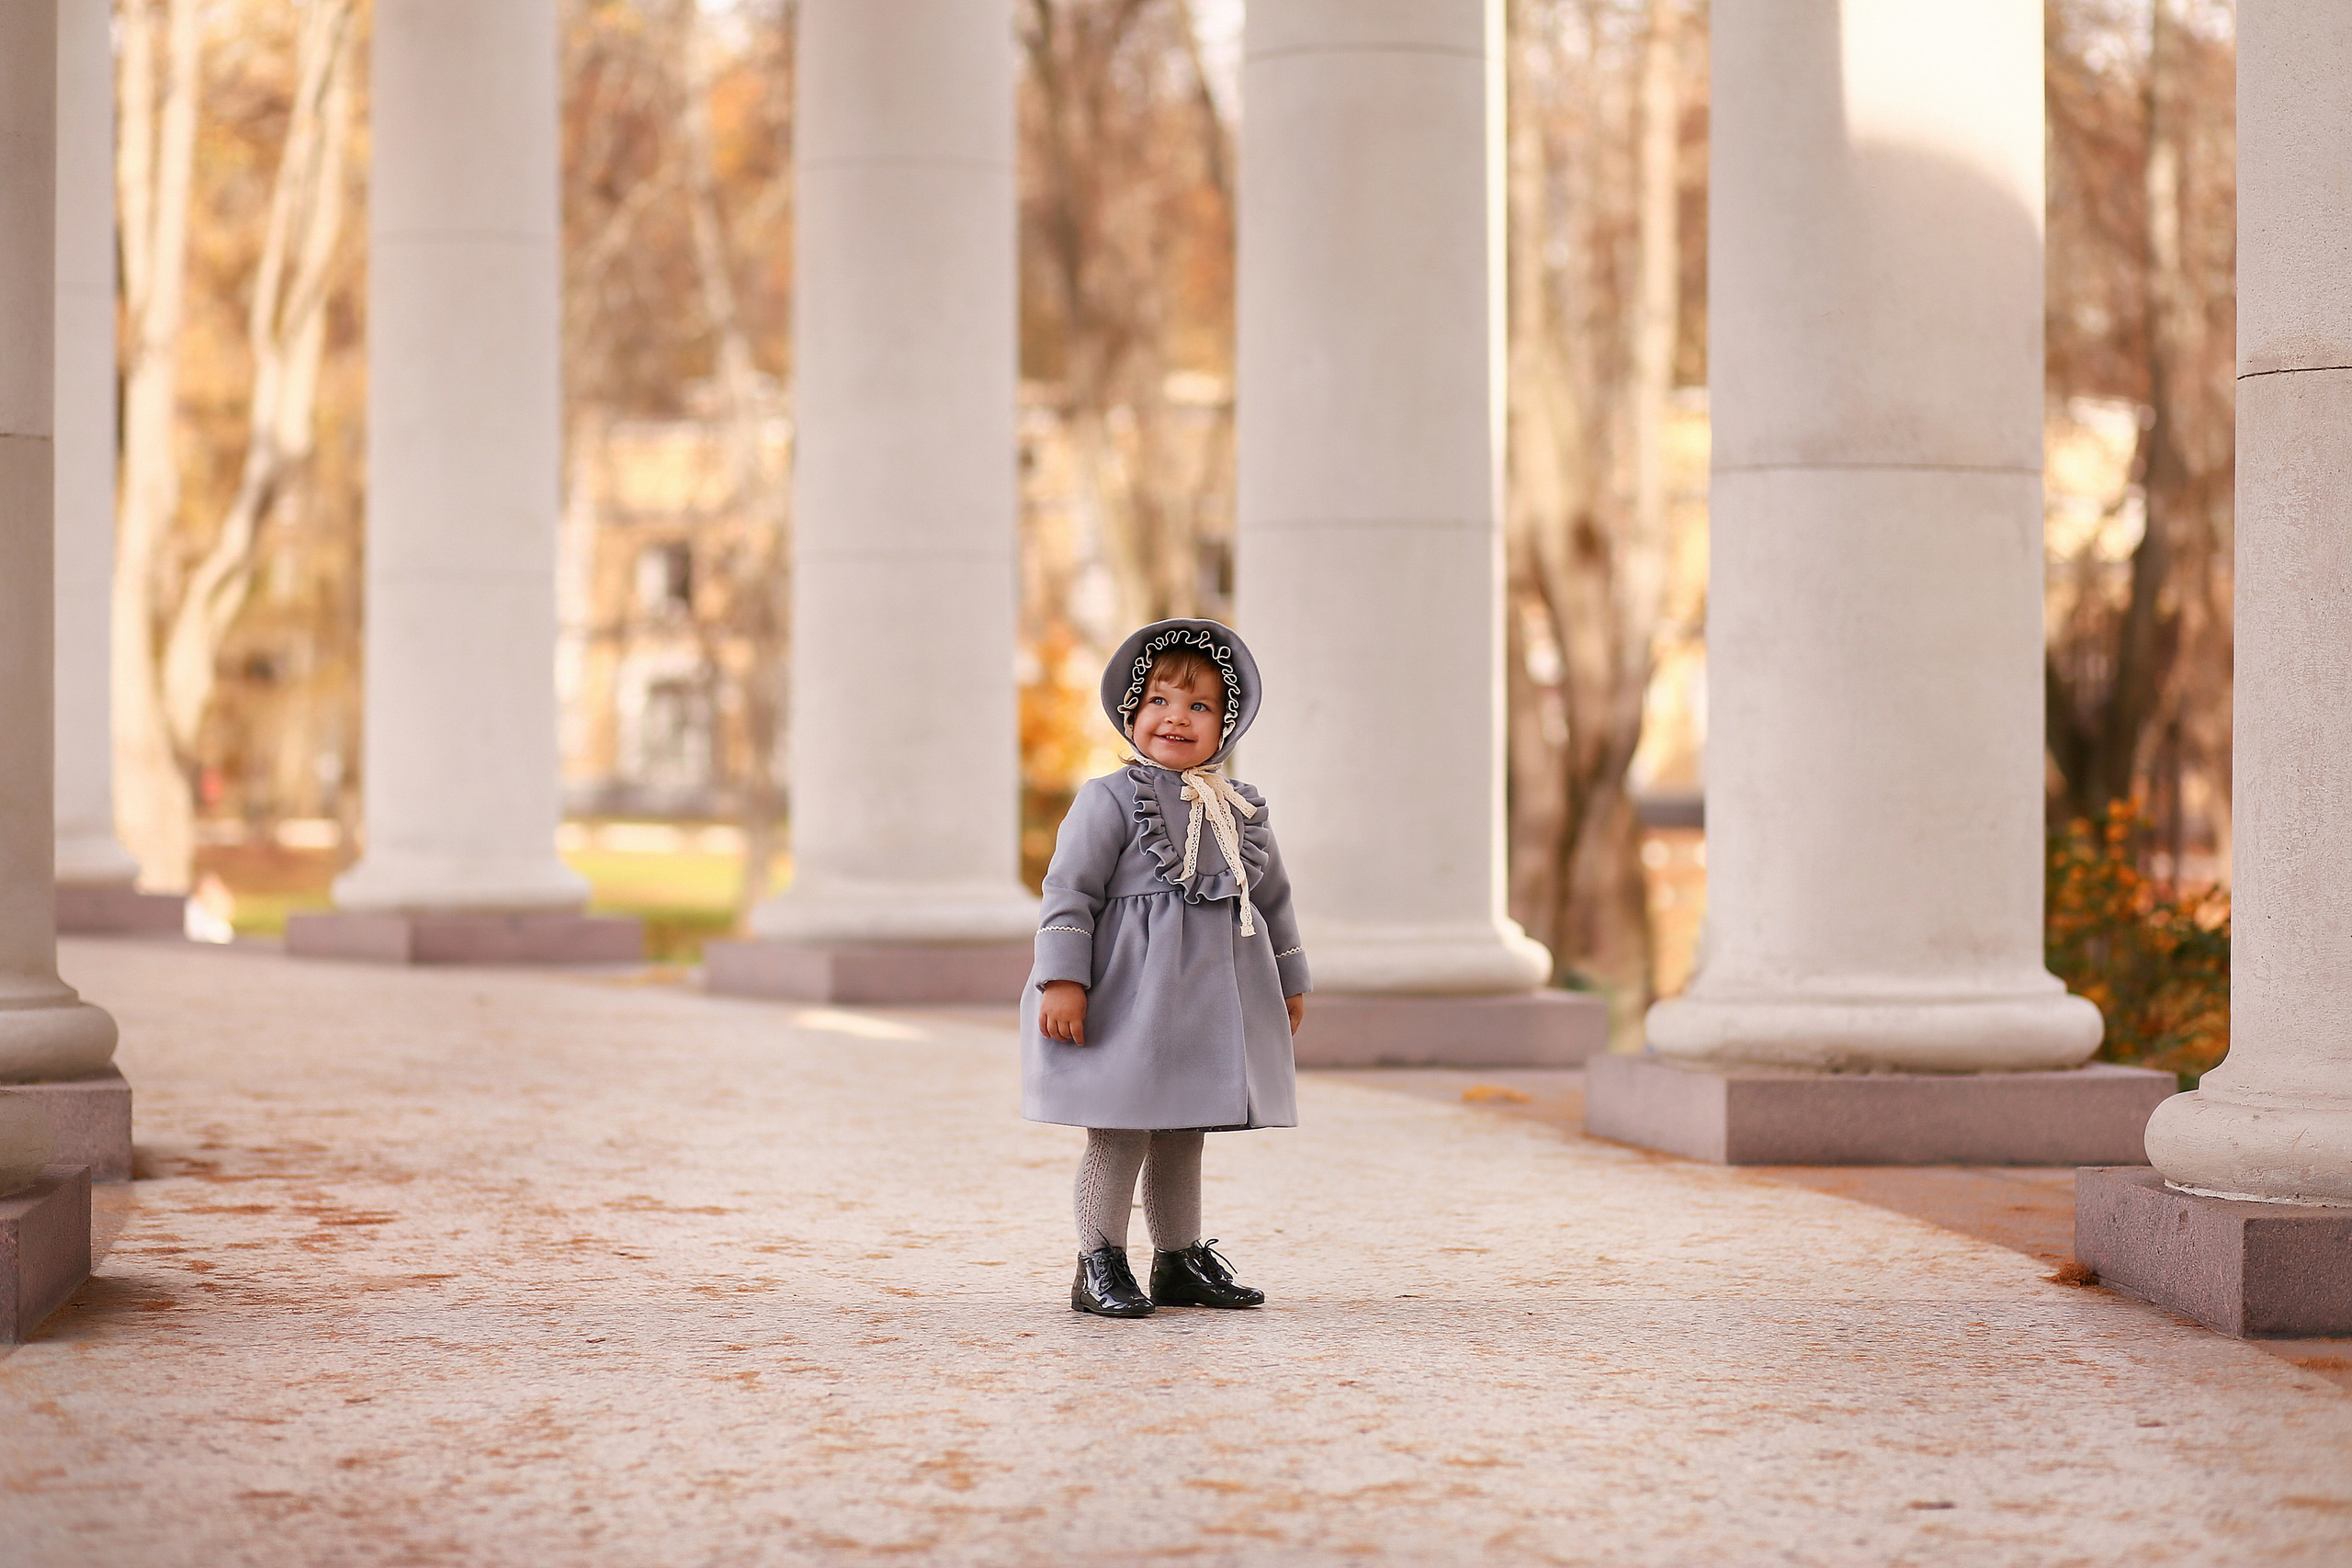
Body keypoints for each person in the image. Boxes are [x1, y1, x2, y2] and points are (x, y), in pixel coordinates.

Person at [1022, 619, 1309, 1318]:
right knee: (1121, 1127)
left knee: (1186, 1127)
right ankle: (1099, 1259)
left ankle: (1178, 1258)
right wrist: (1064, 977)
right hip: (1128, 998)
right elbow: (1070, 890)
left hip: (1205, 1002)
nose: (1176, 717)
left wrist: (1290, 976)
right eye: (1160, 700)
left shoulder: (1241, 810)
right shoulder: (1109, 800)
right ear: (1132, 712)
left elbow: (1270, 899)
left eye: (1200, 706)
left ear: (1226, 725)